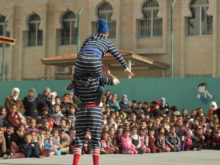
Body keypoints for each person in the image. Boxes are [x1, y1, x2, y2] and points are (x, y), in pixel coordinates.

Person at [67, 19, 134, 107]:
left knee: (77, 78)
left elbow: (80, 53)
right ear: (107, 34)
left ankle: (76, 96)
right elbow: (118, 55)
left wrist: (74, 70)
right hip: (95, 60)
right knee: (100, 78)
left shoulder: (89, 38)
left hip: (81, 60)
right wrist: (126, 68)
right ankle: (100, 90)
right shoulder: (107, 42)